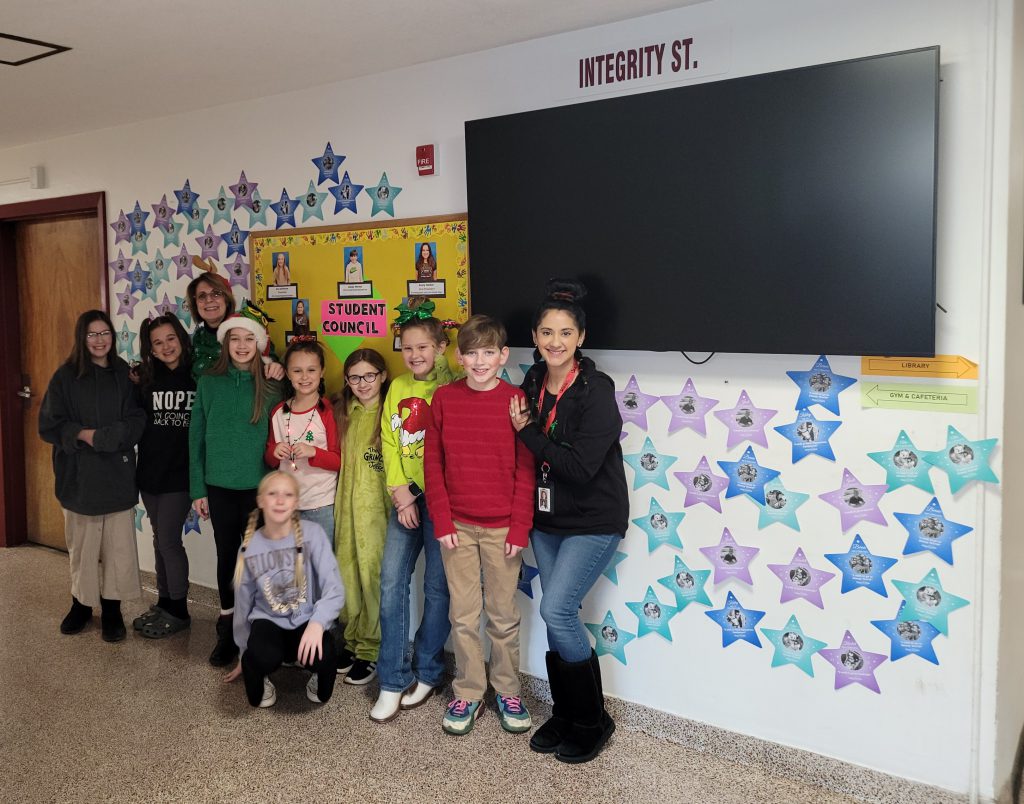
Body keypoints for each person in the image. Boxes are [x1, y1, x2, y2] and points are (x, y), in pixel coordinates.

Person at [509, 278, 627, 764]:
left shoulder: (597, 390)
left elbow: (578, 467)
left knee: (557, 610)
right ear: (534, 337)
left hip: (593, 518)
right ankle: (566, 712)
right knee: (557, 613)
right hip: (547, 517)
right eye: (545, 333)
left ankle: (592, 720)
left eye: (564, 333)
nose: (554, 342)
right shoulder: (533, 382)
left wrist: (529, 433)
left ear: (580, 337)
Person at [425, 315, 535, 736]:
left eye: (489, 352)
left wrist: (519, 527)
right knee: (464, 616)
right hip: (456, 526)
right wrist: (441, 518)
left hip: (503, 529)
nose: (480, 360)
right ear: (458, 357)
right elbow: (432, 463)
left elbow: (526, 468)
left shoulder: (515, 401)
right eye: (471, 353)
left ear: (503, 356)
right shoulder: (444, 399)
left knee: (504, 617)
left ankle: (508, 689)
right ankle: (469, 692)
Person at [370, 302, 457, 723]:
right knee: (392, 583)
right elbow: (389, 439)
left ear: (442, 347)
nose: (415, 354)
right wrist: (400, 493)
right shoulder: (399, 386)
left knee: (438, 589)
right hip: (405, 497)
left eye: (424, 346)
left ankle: (428, 671)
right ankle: (391, 679)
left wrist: (423, 493)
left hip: (444, 500)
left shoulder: (454, 383)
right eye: (407, 348)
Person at [38, 310, 146, 642]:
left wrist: (112, 436)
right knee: (82, 548)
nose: (100, 340)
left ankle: (112, 611)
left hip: (117, 473)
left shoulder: (125, 374)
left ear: (113, 337)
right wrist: (85, 435)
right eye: (92, 335)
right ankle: (81, 605)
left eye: (105, 334)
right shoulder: (65, 377)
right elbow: (49, 425)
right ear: (82, 339)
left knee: (117, 548)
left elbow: (138, 416)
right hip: (79, 476)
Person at [189, 303, 283, 667]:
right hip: (219, 488)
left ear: (260, 344)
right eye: (235, 339)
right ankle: (228, 628)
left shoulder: (273, 384)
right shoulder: (209, 383)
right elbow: (196, 438)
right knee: (228, 557)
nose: (242, 345)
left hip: (259, 490)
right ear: (225, 344)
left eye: (249, 338)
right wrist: (198, 488)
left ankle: (259, 630)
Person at [225, 471, 344, 707]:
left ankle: (309, 666)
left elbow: (335, 589)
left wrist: (317, 623)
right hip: (268, 621)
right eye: (272, 494)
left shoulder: (313, 535)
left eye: (287, 495)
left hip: (305, 620)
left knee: (326, 661)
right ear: (260, 501)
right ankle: (261, 668)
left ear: (296, 503)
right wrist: (242, 652)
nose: (280, 500)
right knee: (257, 690)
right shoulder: (249, 548)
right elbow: (242, 605)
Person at [132, 314, 195, 638]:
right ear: (151, 350)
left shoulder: (198, 375)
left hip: (180, 477)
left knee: (169, 541)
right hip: (150, 475)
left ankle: (180, 609)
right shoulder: (144, 379)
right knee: (159, 540)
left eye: (170, 339)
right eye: (158, 342)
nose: (166, 346)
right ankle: (164, 601)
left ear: (181, 339)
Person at [330, 349, 391, 686]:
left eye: (369, 375)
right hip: (345, 509)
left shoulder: (389, 414)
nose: (362, 383)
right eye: (355, 377)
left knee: (371, 579)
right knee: (347, 575)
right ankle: (352, 642)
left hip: (378, 514)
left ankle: (370, 649)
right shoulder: (344, 412)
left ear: (382, 375)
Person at [265, 338, 340, 544]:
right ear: (287, 373)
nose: (304, 377)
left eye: (311, 370)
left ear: (322, 371)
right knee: (291, 566)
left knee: (319, 566)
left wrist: (314, 452)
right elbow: (269, 458)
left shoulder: (328, 413)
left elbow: (338, 460)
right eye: (297, 371)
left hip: (320, 505)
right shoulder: (278, 412)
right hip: (286, 505)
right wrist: (274, 451)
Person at [185, 269, 284, 382]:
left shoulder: (246, 329)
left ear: (226, 299)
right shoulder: (198, 337)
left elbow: (271, 362)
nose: (209, 300)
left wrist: (275, 367)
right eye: (202, 296)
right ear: (195, 303)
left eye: (216, 293)